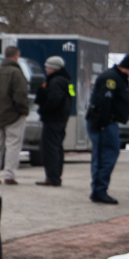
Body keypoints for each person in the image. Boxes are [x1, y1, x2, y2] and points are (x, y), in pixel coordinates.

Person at [86, 53, 129, 205]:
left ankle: (99, 190)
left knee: (104, 156)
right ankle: (99, 191)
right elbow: (105, 101)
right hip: (105, 123)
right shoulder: (112, 78)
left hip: (107, 122)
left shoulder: (117, 77)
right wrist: (103, 122)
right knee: (105, 157)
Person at [0, 53, 31, 186]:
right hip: (13, 115)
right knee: (13, 145)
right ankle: (9, 175)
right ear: (16, 56)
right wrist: (24, 111)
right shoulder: (16, 73)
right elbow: (20, 94)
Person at [33, 54, 77, 188]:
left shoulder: (56, 81)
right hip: (62, 119)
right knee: (57, 148)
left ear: (54, 68)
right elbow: (71, 96)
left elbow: (54, 100)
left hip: (53, 119)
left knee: (50, 148)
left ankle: (52, 177)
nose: (46, 69)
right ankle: (56, 176)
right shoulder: (68, 81)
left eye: (47, 66)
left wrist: (43, 109)